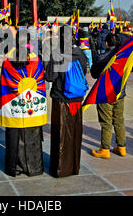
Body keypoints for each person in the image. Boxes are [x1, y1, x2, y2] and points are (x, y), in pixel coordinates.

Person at [0, 29, 47, 177]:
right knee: (32, 137)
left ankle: (14, 167)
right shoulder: (36, 59)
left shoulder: (8, 59)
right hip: (32, 104)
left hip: (13, 105)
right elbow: (39, 79)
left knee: (14, 137)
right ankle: (34, 167)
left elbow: (5, 81)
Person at [45, 25, 88, 177]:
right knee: (75, 133)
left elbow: (50, 77)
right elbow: (84, 72)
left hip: (61, 99)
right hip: (77, 99)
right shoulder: (80, 53)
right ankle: (73, 167)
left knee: (60, 134)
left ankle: (60, 168)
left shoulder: (59, 54)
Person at [90, 33, 127, 159]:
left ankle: (105, 149)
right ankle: (121, 147)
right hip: (119, 92)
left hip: (104, 93)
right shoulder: (123, 57)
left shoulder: (100, 58)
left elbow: (94, 74)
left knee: (106, 122)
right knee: (119, 120)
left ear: (106, 43)